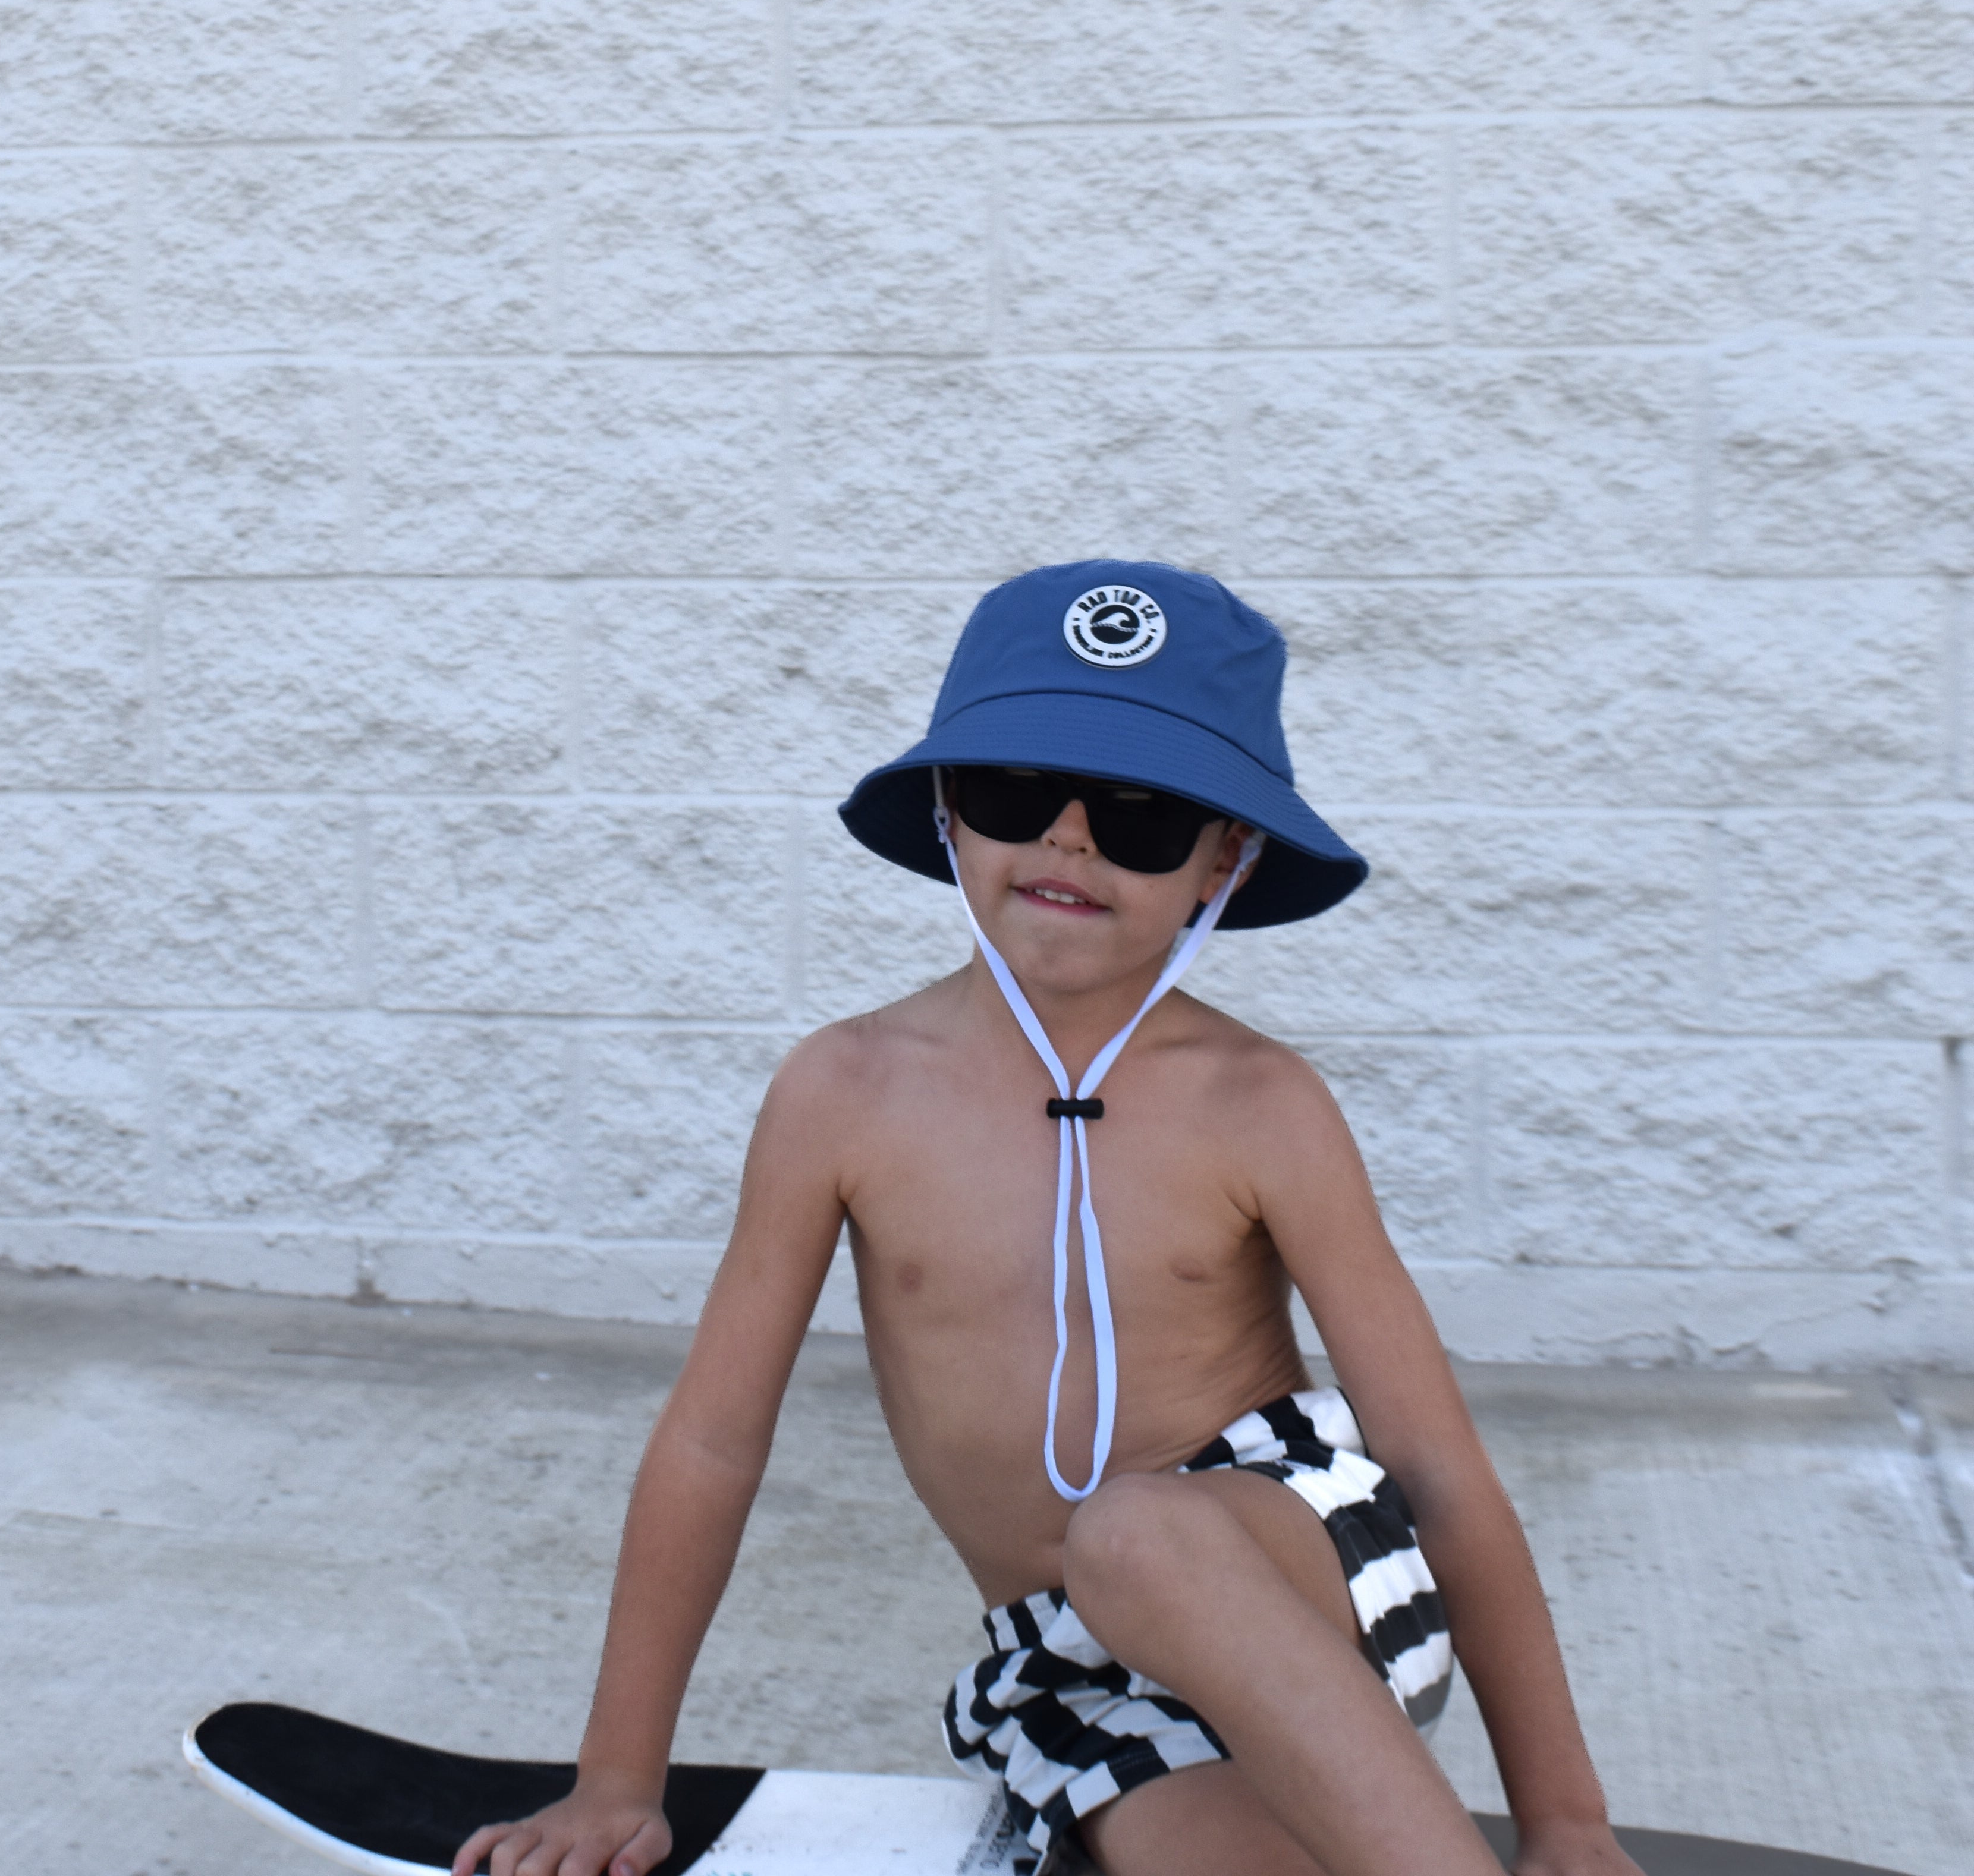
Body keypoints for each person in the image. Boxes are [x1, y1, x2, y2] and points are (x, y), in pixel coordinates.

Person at [454, 562, 1642, 1876]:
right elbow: (712, 1439)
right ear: (951, 817)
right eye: (1022, 792)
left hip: (1303, 1571)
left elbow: (1438, 1472)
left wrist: (1565, 1821)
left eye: (1139, 817)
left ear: (1221, 862)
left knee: (1135, 1531)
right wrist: (617, 1779)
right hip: (1076, 1663)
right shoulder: (839, 1092)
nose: (1069, 839)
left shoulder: (1261, 1104)